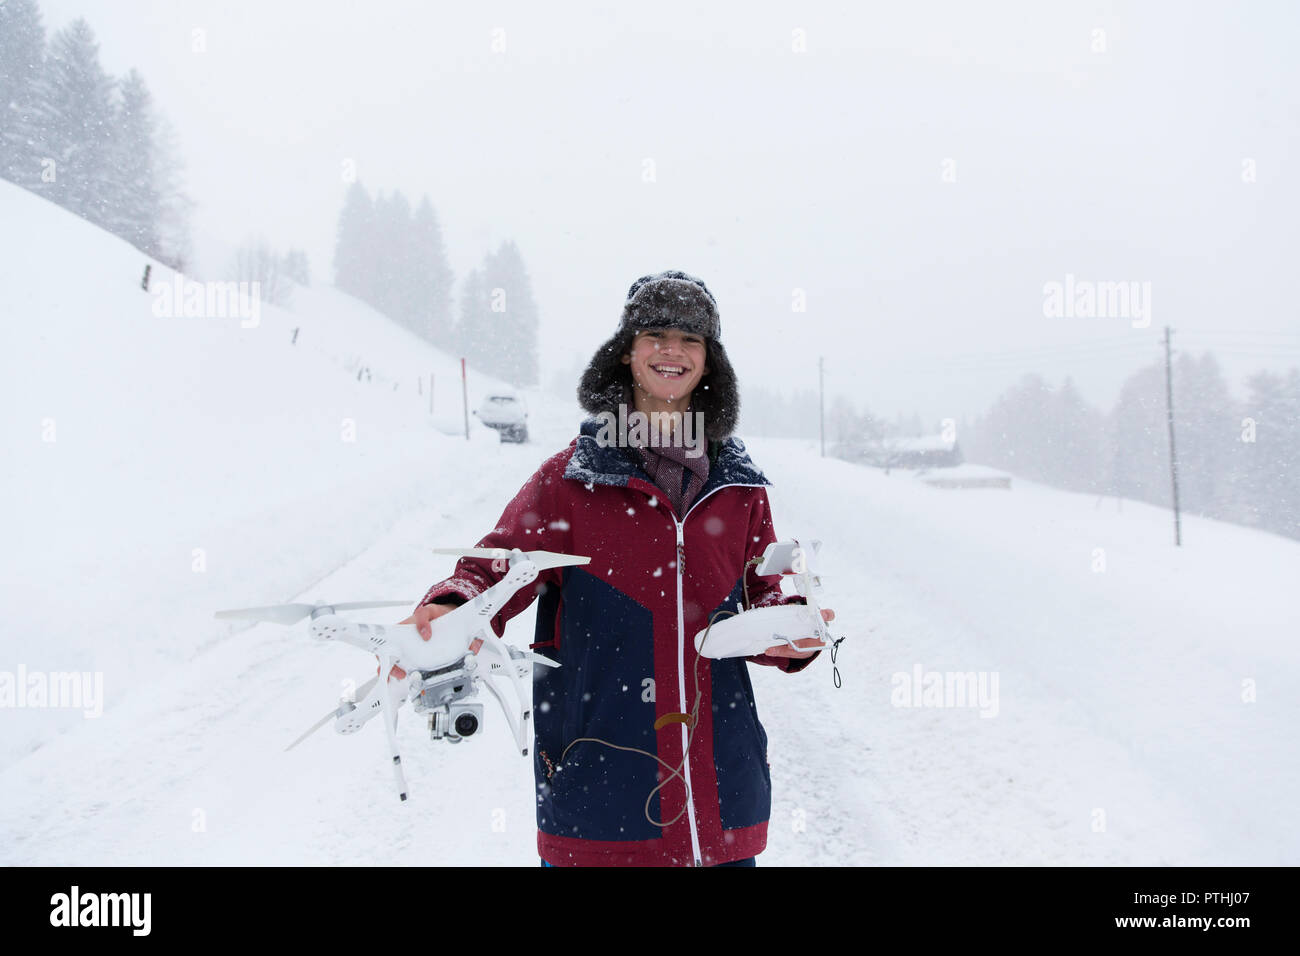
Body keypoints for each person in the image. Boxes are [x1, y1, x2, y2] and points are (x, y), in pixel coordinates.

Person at [399, 270, 832, 867]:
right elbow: (496, 566)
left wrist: (793, 631)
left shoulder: (740, 488)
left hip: (721, 808)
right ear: (626, 354)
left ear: (710, 363)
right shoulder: (569, 480)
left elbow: (765, 594)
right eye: (654, 333)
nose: (672, 350)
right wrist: (452, 604)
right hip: (599, 805)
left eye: (691, 338)